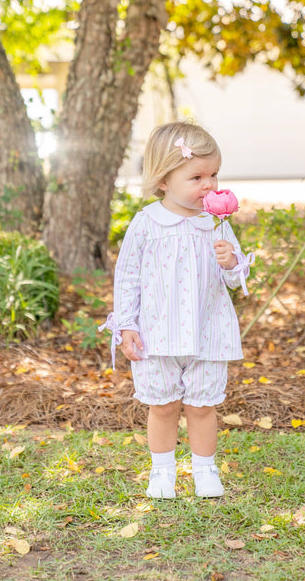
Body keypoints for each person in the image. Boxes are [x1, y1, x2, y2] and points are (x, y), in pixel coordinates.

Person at [100, 121, 254, 499]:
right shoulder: (147, 223)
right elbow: (128, 277)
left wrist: (232, 261)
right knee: (163, 404)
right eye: (197, 176)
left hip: (207, 330)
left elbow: (237, 281)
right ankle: (162, 472)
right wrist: (127, 325)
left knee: (202, 406)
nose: (210, 185)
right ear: (164, 180)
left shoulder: (216, 224)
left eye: (214, 174)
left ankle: (204, 469)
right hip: (157, 332)